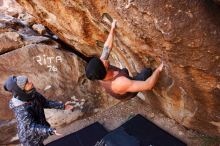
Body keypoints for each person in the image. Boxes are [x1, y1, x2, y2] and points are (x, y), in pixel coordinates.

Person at [85, 20, 164, 100]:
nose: (102, 59)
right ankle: (135, 84)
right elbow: (148, 85)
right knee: (147, 71)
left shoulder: (100, 72)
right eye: (102, 62)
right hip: (128, 91)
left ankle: (130, 80)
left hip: (122, 79)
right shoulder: (119, 83)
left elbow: (107, 48)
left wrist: (112, 28)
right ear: (104, 70)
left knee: (124, 70)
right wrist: (159, 69)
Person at [3, 75, 74, 146]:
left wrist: (63, 106)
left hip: (39, 133)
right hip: (30, 139)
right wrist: (49, 130)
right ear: (20, 90)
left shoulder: (32, 93)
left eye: (28, 81)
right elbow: (31, 127)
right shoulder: (20, 108)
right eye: (27, 83)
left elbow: (45, 102)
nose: (31, 83)